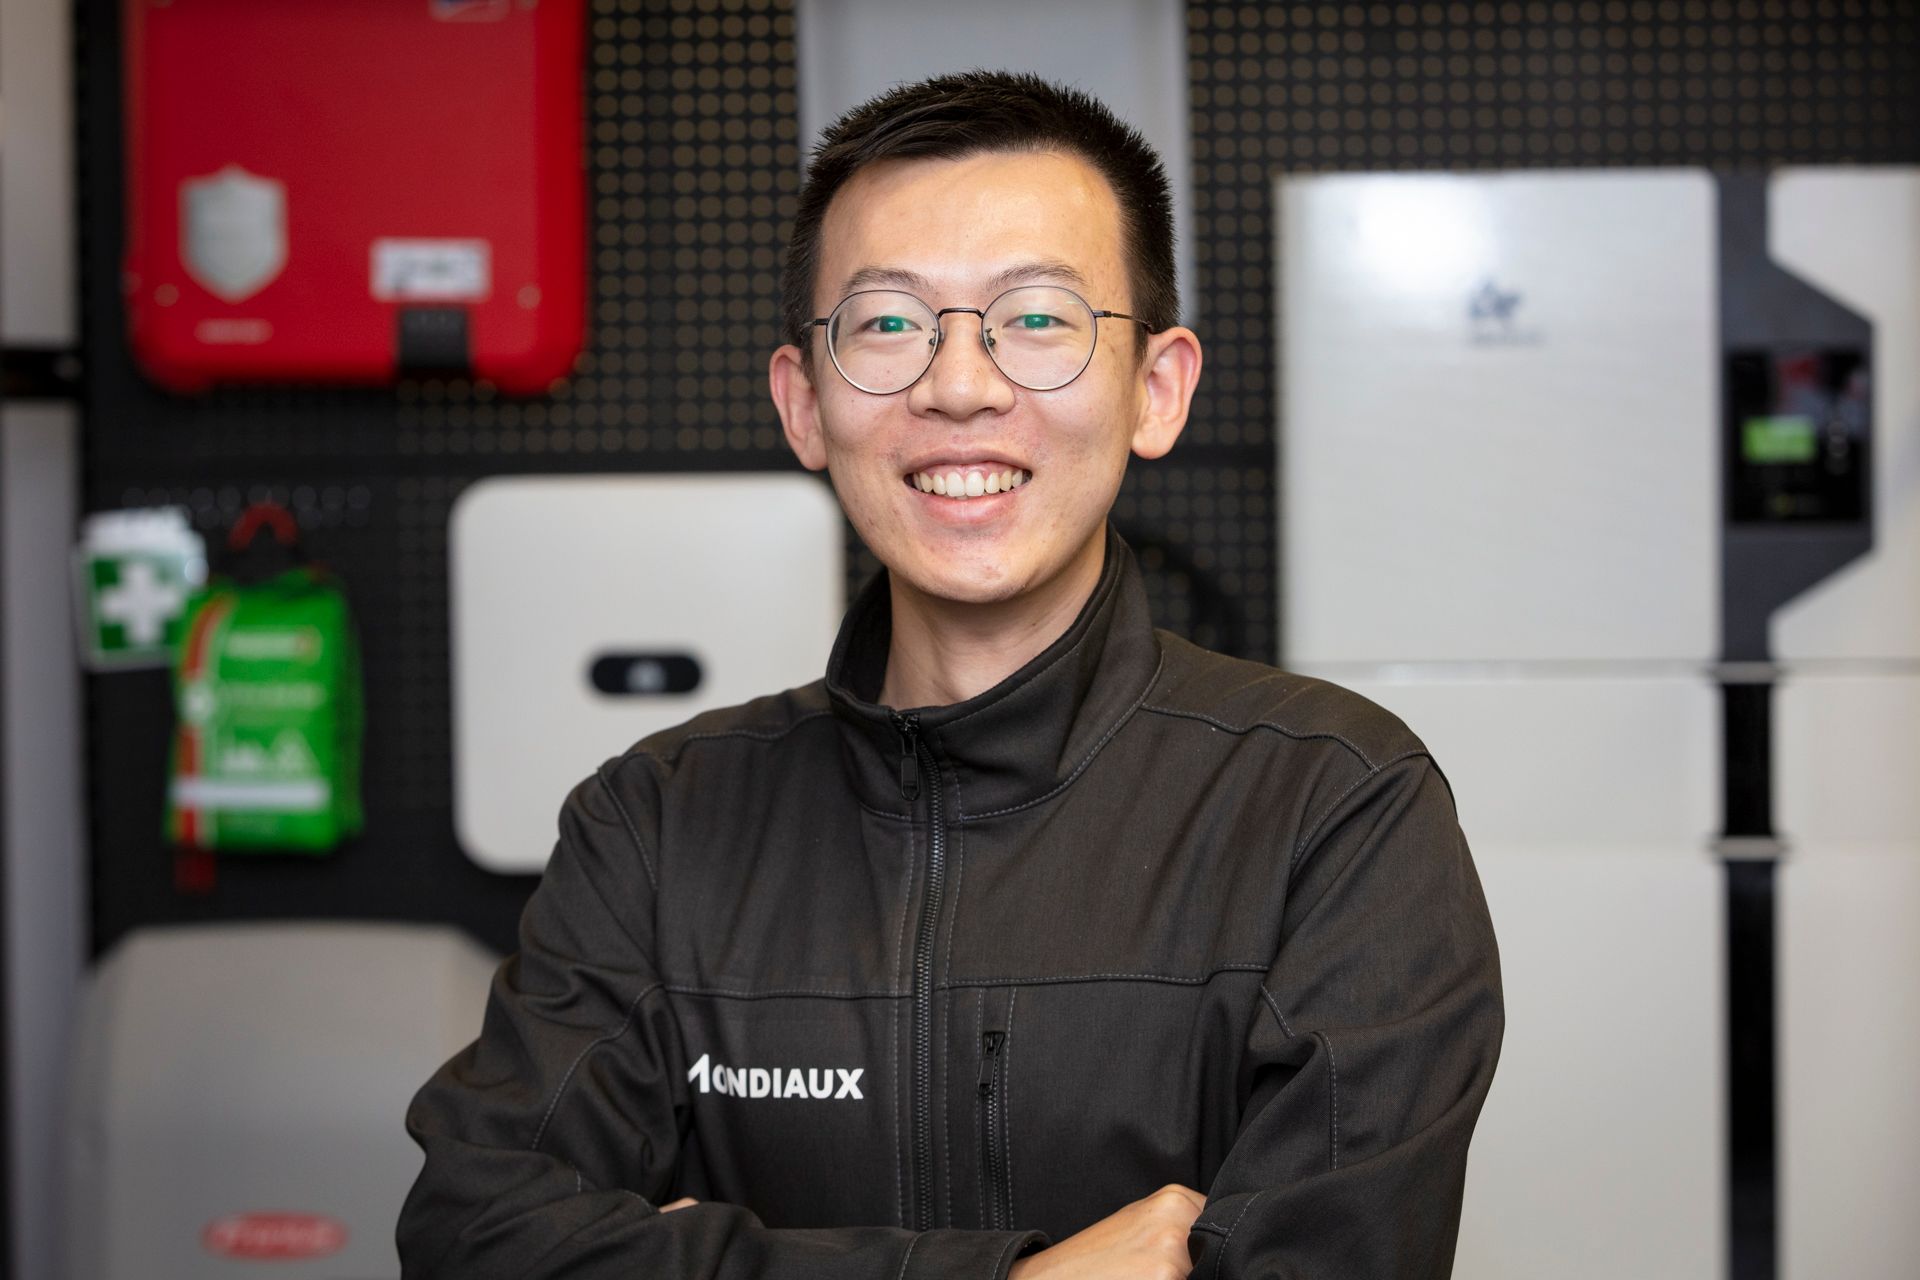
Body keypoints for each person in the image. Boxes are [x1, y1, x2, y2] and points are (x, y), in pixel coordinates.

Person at [399, 70, 1502, 1279]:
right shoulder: (658, 824)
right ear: (804, 405)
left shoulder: (1335, 809)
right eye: (886, 323)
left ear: (1158, 388)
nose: (961, 384)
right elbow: (476, 1237)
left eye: (1037, 318)